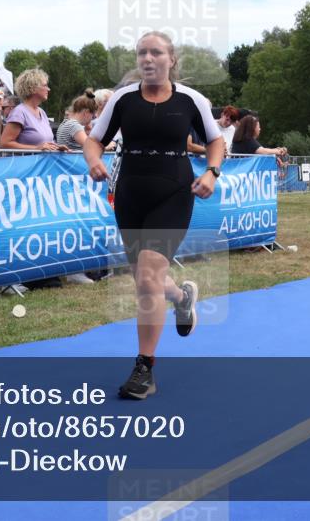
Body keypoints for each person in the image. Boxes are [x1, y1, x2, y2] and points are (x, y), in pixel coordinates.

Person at [84, 31, 224, 400]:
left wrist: (212, 171)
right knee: (146, 280)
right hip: (130, 195)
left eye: (156, 52)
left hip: (175, 193)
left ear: (171, 59)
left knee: (147, 276)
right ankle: (181, 298)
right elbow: (94, 139)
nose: (148, 58)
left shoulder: (192, 100)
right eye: (142, 52)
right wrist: (94, 160)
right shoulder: (122, 99)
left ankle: (144, 368)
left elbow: (215, 139)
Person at [0, 68, 63, 152]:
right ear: (32, 88)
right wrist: (36, 149)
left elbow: (45, 144)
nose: (48, 89)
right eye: (45, 85)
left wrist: (57, 147)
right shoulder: (19, 112)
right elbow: (4, 144)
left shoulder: (42, 112)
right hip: (26, 164)